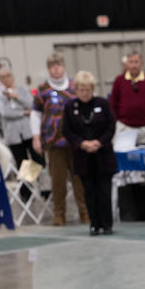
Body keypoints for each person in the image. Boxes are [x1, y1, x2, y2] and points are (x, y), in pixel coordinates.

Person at [30, 52, 88, 226]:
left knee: (79, 178)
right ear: (48, 69)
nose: (55, 69)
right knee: (58, 180)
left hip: (76, 141)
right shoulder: (43, 90)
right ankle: (59, 213)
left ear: (63, 67)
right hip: (54, 142)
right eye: (52, 66)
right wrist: (36, 137)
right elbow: (35, 114)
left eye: (58, 65)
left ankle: (85, 212)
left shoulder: (74, 86)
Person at [62, 70, 117, 235]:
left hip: (103, 155)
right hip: (83, 157)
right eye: (81, 89)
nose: (84, 93)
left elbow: (111, 126)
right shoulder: (70, 107)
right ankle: (94, 223)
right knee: (89, 192)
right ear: (76, 90)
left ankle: (107, 224)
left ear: (92, 89)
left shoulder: (103, 103)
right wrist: (82, 143)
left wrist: (99, 142)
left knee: (104, 192)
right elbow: (67, 130)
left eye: (87, 89)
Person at [109, 50, 145, 145]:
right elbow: (113, 104)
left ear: (141, 63)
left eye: (136, 62)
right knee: (125, 156)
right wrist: (118, 121)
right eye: (131, 62)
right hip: (125, 127)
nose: (134, 65)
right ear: (127, 64)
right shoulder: (119, 81)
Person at [0, 66, 41, 173]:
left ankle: (44, 188)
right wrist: (24, 112)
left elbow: (31, 104)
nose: (6, 79)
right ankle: (27, 188)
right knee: (23, 164)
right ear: (0, 80)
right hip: (13, 135)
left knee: (38, 160)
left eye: (8, 76)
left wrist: (16, 97)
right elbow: (5, 113)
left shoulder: (23, 90)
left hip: (28, 132)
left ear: (13, 76)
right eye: (3, 77)